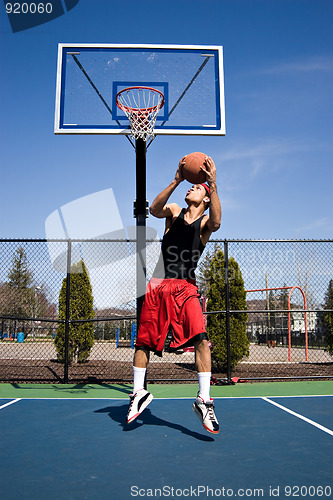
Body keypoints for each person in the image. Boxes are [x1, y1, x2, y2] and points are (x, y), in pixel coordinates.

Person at [126, 155, 222, 434]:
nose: (192, 189)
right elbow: (155, 209)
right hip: (159, 285)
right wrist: (176, 180)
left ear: (205, 198)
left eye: (197, 188)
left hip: (186, 288)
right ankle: (138, 393)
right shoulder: (175, 211)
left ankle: (204, 399)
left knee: (202, 339)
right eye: (193, 186)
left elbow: (216, 222)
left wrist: (212, 185)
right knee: (142, 343)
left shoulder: (204, 224)